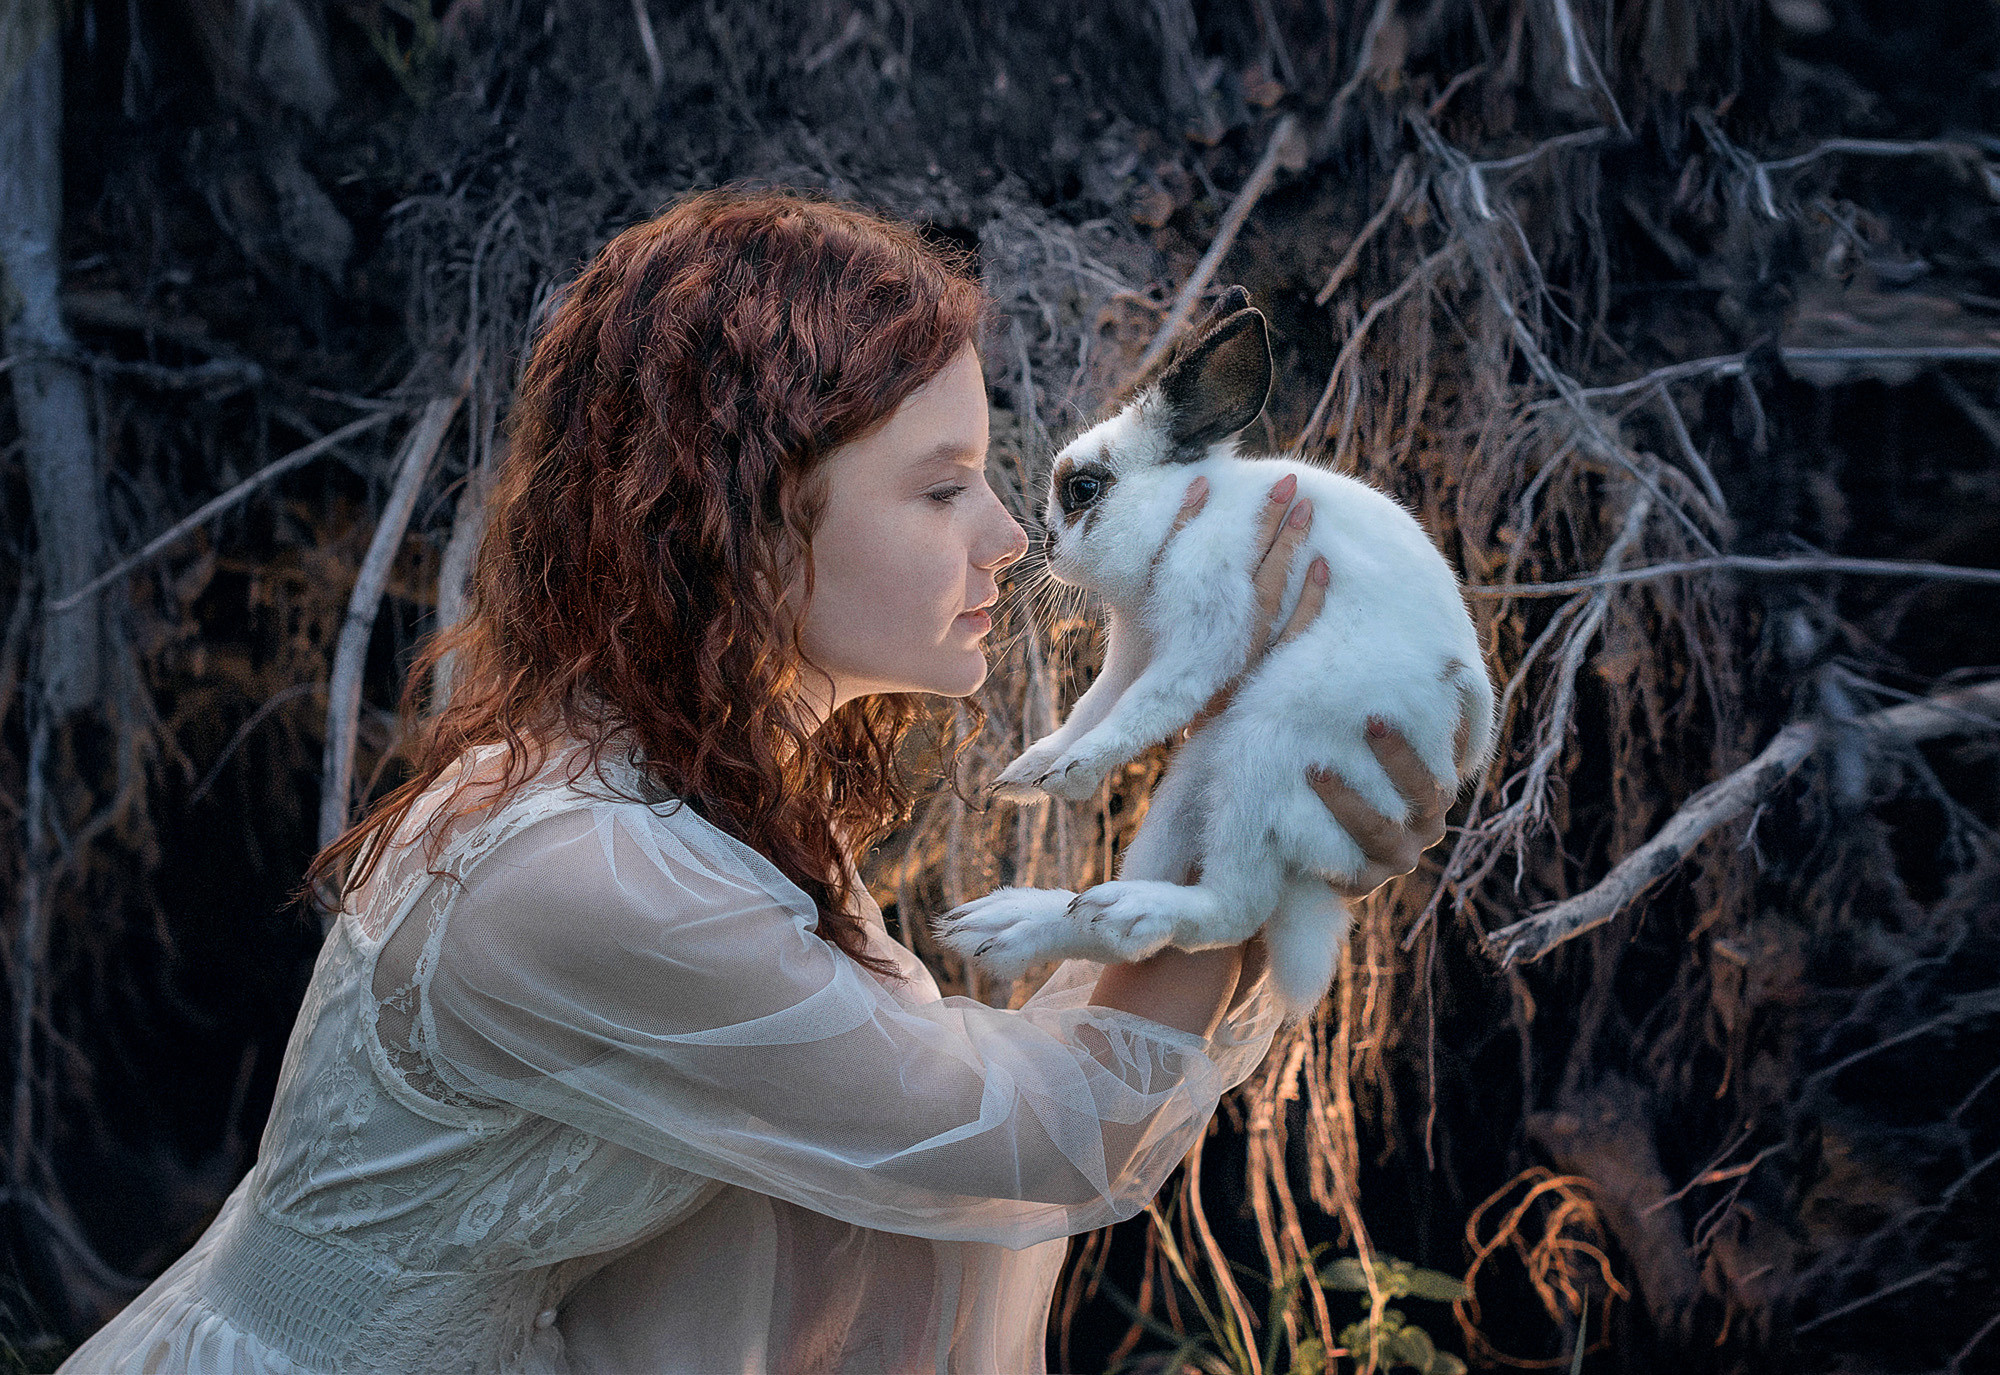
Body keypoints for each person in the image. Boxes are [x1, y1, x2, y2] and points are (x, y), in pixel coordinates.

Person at [61, 190, 1460, 1375]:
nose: (1012, 533)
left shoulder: (687, 793)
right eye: (940, 488)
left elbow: (900, 1125)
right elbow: (1032, 1135)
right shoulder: (597, 872)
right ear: (739, 516)